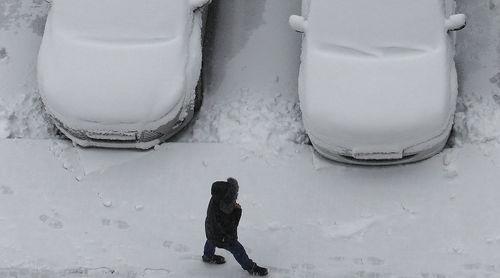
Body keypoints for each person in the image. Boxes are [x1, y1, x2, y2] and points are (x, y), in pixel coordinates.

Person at [203, 177, 268, 276]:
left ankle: (207, 256)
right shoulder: (225, 209)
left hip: (209, 228)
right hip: (222, 237)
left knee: (210, 239)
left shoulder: (216, 198)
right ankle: (251, 267)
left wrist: (231, 205)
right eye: (234, 196)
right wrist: (237, 211)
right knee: (238, 249)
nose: (235, 198)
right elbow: (232, 227)